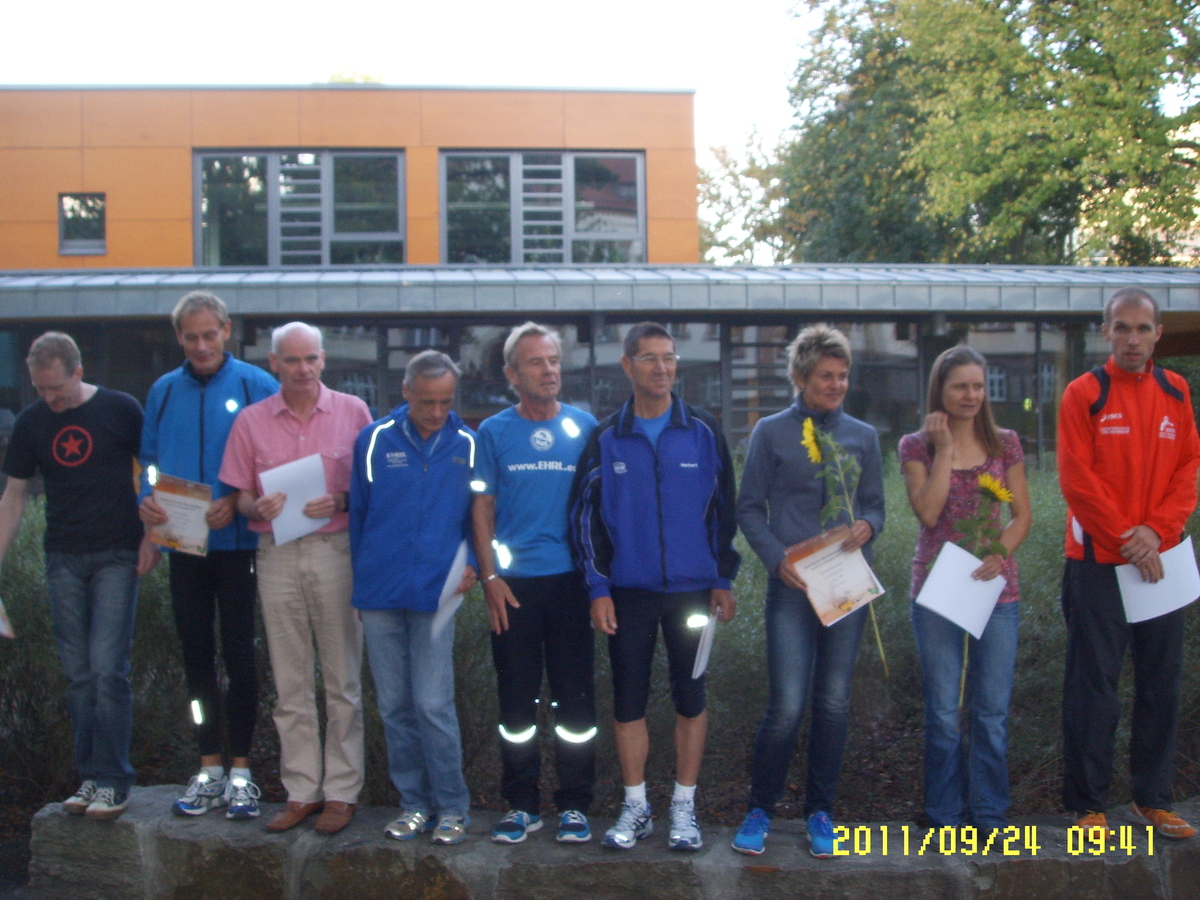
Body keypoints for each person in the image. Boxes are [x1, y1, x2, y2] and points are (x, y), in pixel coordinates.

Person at [570, 321, 739, 852]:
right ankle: (636, 807)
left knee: (691, 697)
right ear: (627, 365)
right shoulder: (606, 437)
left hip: (693, 591)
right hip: (629, 593)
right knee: (628, 699)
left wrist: (722, 577)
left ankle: (684, 808)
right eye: (650, 358)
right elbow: (584, 519)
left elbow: (724, 511)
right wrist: (598, 588)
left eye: (669, 357)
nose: (662, 368)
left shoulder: (703, 430)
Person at [733, 324, 884, 858]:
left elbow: (876, 504)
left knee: (834, 703)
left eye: (843, 376)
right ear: (800, 378)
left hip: (845, 584)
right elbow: (748, 508)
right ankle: (760, 810)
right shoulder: (771, 432)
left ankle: (821, 812)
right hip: (793, 587)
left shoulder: (863, 435)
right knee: (787, 706)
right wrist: (777, 560)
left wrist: (868, 525)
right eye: (826, 376)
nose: (837, 384)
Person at [219, 322, 372, 836]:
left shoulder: (353, 411)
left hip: (336, 551)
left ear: (323, 360)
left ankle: (342, 792)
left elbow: (372, 489)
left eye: (311, 359)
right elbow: (239, 495)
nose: (303, 369)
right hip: (276, 554)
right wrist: (253, 506)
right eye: (292, 360)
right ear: (274, 365)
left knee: (343, 680)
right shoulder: (251, 421)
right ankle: (302, 790)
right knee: (290, 682)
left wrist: (342, 500)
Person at [1059, 288, 1199, 839]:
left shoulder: (1177, 391)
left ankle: (1153, 800)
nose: (1133, 339)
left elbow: (1188, 469)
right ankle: (1088, 805)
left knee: (1161, 685)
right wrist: (1129, 540)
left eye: (1143, 328)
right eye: (1122, 327)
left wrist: (1157, 534)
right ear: (1106, 332)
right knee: (1093, 686)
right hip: (1097, 563)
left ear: (1158, 334)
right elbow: (1077, 480)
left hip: (1162, 562)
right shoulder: (1083, 394)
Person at [0, 332, 156, 820]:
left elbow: (152, 472)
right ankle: (89, 775)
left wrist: (153, 536)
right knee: (78, 675)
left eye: (57, 388)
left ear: (78, 372)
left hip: (117, 553)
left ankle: (115, 780)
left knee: (108, 668)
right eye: (40, 389)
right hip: (62, 557)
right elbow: (14, 495)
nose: (50, 398)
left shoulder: (120, 409)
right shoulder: (31, 422)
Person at [138, 291, 278, 820]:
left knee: (239, 656)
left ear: (226, 331)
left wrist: (237, 500)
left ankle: (242, 771)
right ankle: (208, 766)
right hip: (183, 545)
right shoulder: (163, 390)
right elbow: (148, 461)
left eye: (209, 334)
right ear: (179, 337)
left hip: (240, 544)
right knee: (195, 656)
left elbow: (276, 458)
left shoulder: (255, 384)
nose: (201, 345)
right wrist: (145, 500)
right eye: (191, 337)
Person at [472, 323, 598, 845]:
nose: (548, 371)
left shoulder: (585, 427)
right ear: (511, 374)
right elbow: (482, 508)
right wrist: (490, 578)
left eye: (553, 361)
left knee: (576, 704)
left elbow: (601, 509)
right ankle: (521, 804)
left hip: (572, 585)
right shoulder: (493, 432)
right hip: (514, 589)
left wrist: (600, 583)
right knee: (516, 705)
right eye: (535, 363)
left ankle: (575, 805)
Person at [899, 345, 1031, 833]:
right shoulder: (916, 446)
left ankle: (990, 815)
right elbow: (928, 513)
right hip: (937, 591)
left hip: (996, 591)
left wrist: (1000, 551)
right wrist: (946, 451)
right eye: (960, 386)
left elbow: (1022, 515)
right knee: (942, 712)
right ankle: (945, 817)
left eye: (978, 385)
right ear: (940, 390)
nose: (972, 395)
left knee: (992, 712)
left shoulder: (1006, 443)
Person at [350, 350, 478, 845]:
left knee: (432, 703)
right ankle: (414, 805)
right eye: (427, 402)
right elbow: (359, 516)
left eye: (446, 401)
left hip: (437, 592)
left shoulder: (468, 444)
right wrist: (363, 580)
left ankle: (453, 807)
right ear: (406, 393)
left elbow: (482, 513)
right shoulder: (373, 440)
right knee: (394, 706)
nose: (438, 412)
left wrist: (473, 562)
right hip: (379, 592)